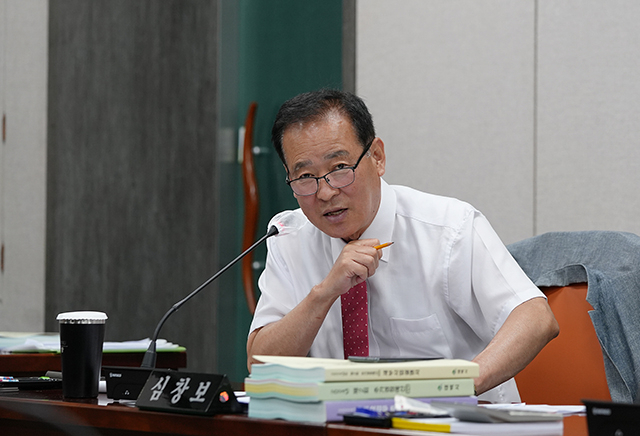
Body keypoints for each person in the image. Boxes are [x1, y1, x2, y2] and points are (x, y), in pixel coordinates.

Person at [246, 89, 559, 403]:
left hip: (454, 418)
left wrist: (455, 384)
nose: (325, 192)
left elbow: (535, 318)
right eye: (305, 176)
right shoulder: (288, 238)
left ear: (377, 157)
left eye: (339, 168)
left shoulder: (448, 228)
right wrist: (324, 293)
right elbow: (261, 365)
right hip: (341, 421)